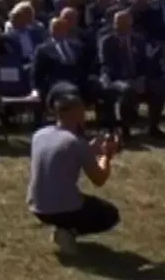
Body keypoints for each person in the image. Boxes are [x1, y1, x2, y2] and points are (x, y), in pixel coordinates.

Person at [26, 93, 121, 255]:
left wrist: (90, 149)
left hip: (36, 205)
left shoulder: (39, 135)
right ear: (76, 113)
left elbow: (63, 154)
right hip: (63, 208)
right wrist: (106, 155)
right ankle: (68, 233)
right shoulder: (76, 143)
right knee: (110, 214)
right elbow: (99, 179)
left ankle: (64, 230)